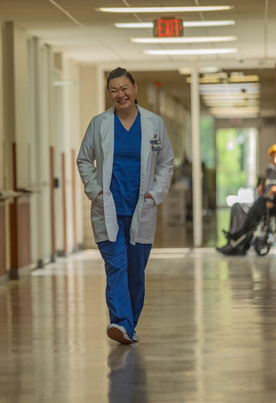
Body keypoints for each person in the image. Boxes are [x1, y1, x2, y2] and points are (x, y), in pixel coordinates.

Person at [77, 67, 174, 344]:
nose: (120, 94)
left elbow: (166, 161)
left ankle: (129, 326)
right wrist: (95, 191)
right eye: (113, 90)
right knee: (116, 267)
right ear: (109, 94)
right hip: (108, 207)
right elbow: (84, 159)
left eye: (124, 88)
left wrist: (155, 195)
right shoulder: (99, 124)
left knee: (135, 274)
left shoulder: (154, 123)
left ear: (134, 89)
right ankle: (120, 322)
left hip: (141, 209)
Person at [217, 146, 276, 256]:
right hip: (273, 200)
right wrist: (263, 188)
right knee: (241, 207)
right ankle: (238, 240)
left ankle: (239, 237)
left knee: (257, 207)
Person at [223, 143, 276, 236]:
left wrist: (274, 189)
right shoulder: (269, 170)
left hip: (275, 203)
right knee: (237, 206)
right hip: (262, 200)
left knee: (257, 207)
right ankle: (234, 233)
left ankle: (241, 234)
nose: (275, 160)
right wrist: (261, 188)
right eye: (272, 157)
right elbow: (264, 186)